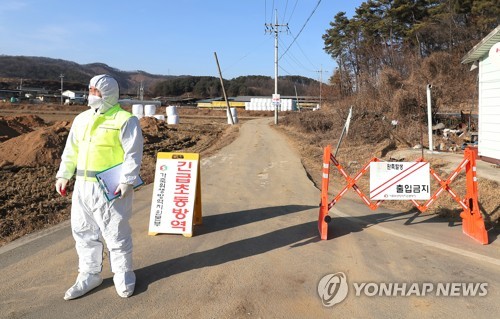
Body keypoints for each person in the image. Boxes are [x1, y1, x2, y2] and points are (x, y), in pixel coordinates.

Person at [55, 74, 143, 300]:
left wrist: (127, 180)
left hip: (110, 188)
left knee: (115, 232)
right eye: (90, 89)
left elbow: (133, 153)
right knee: (83, 232)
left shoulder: (125, 120)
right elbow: (71, 150)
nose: (90, 94)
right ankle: (89, 273)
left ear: (108, 93)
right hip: (83, 187)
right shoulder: (81, 119)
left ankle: (123, 273)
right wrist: (64, 175)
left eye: (95, 91)